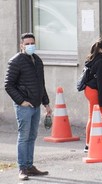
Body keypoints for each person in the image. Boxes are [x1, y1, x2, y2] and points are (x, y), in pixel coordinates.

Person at [4, 33, 52, 180]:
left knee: (32, 136)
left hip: (36, 105)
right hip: (24, 106)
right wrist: (21, 101)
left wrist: (46, 103)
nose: (31, 45)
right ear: (21, 45)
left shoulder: (37, 60)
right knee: (24, 137)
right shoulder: (16, 61)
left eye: (32, 43)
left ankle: (30, 166)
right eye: (27, 43)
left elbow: (41, 84)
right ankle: (22, 168)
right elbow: (8, 85)